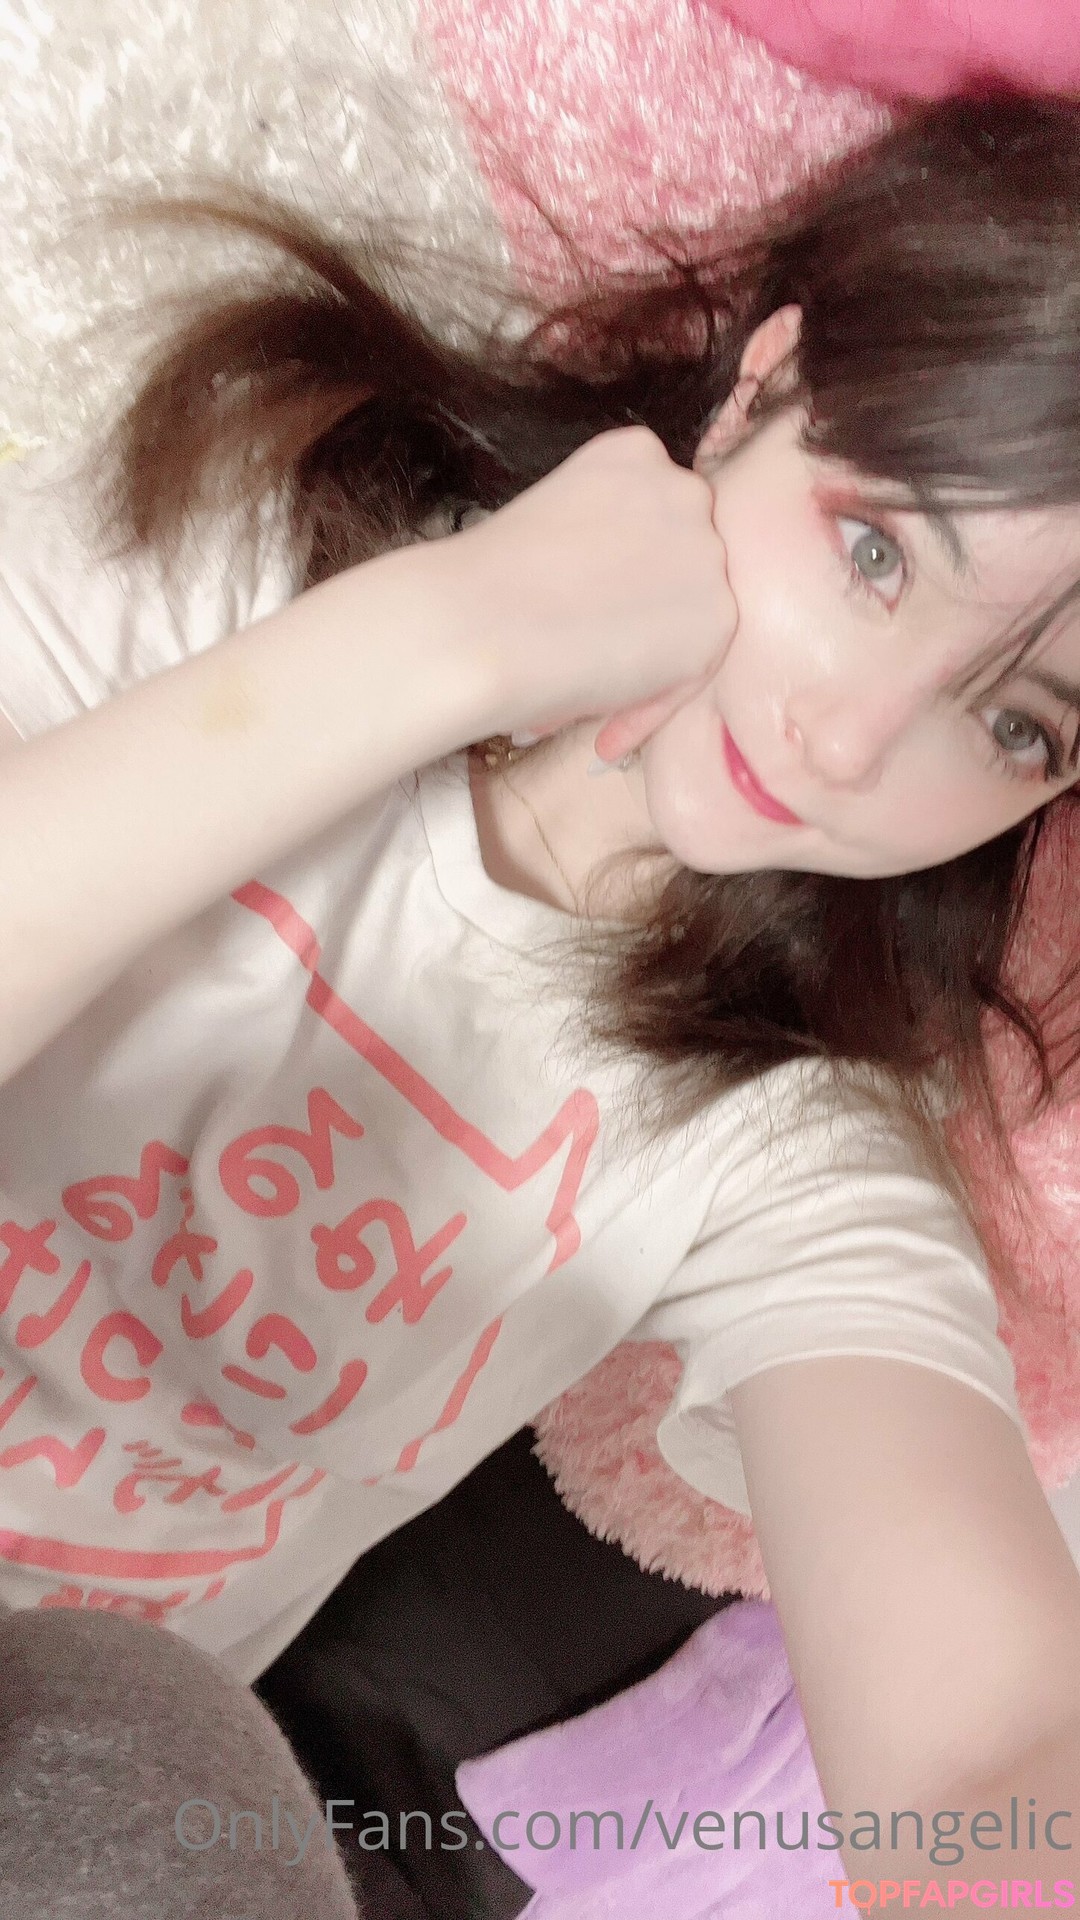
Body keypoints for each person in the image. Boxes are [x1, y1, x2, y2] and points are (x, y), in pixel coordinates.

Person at [1, 89, 1080, 1914]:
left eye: (1016, 726)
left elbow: (987, 1762)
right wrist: (457, 633)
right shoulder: (242, 559)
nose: (851, 742)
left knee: (145, 1752)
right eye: (878, 554)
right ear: (759, 388)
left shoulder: (777, 1139)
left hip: (64, 1777)